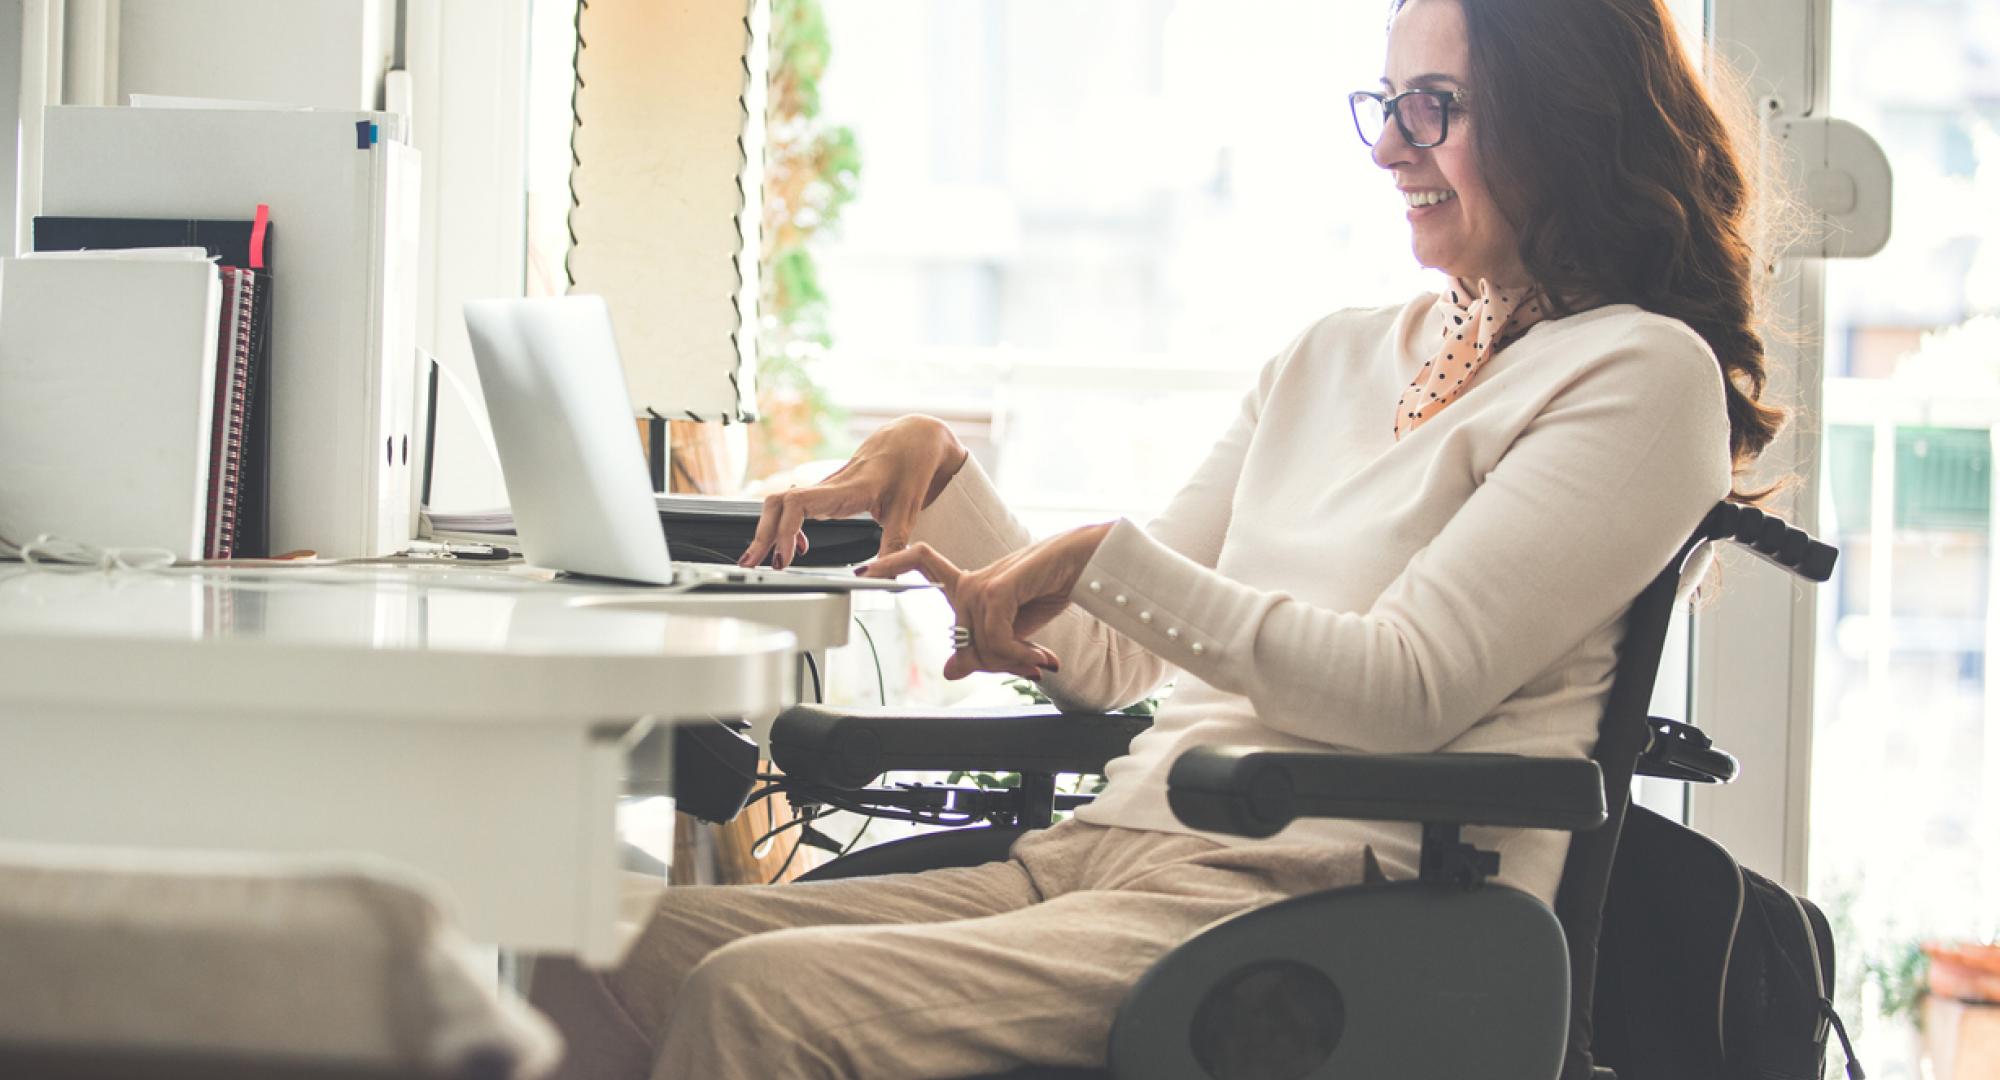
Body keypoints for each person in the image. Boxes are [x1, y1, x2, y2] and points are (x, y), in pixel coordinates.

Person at [529, 0, 1787, 1075]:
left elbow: (1409, 686)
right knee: (576, 941)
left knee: (755, 1004)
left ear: (1564, 114)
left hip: (1313, 899)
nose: (1390, 147)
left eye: (1437, 108)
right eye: (1385, 102)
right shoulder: (1333, 354)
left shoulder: (1636, 374)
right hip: (1102, 854)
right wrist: (948, 477)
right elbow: (1116, 656)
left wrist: (1101, 555)